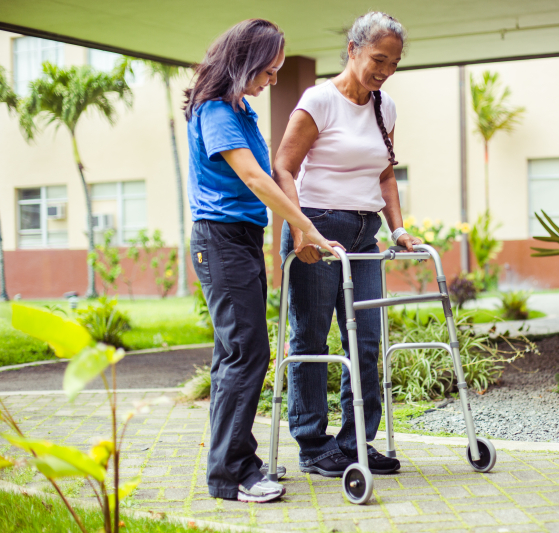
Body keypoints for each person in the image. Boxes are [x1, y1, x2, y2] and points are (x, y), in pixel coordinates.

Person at [183, 18, 341, 503]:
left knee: (238, 353)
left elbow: (271, 170)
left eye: (277, 72)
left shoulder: (240, 109)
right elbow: (253, 177)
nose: (273, 80)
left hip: (242, 238)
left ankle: (232, 462)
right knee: (246, 352)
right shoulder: (214, 110)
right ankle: (231, 473)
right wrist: (305, 226)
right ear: (245, 61)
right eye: (268, 71)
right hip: (221, 240)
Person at [273, 12, 421, 478]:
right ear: (354, 49)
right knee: (312, 339)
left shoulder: (385, 107)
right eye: (379, 58)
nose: (385, 70)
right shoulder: (319, 100)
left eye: (394, 63)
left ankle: (357, 441)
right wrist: (300, 232)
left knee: (368, 340)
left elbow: (384, 173)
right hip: (317, 227)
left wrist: (398, 229)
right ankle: (313, 445)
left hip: (364, 234)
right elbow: (283, 167)